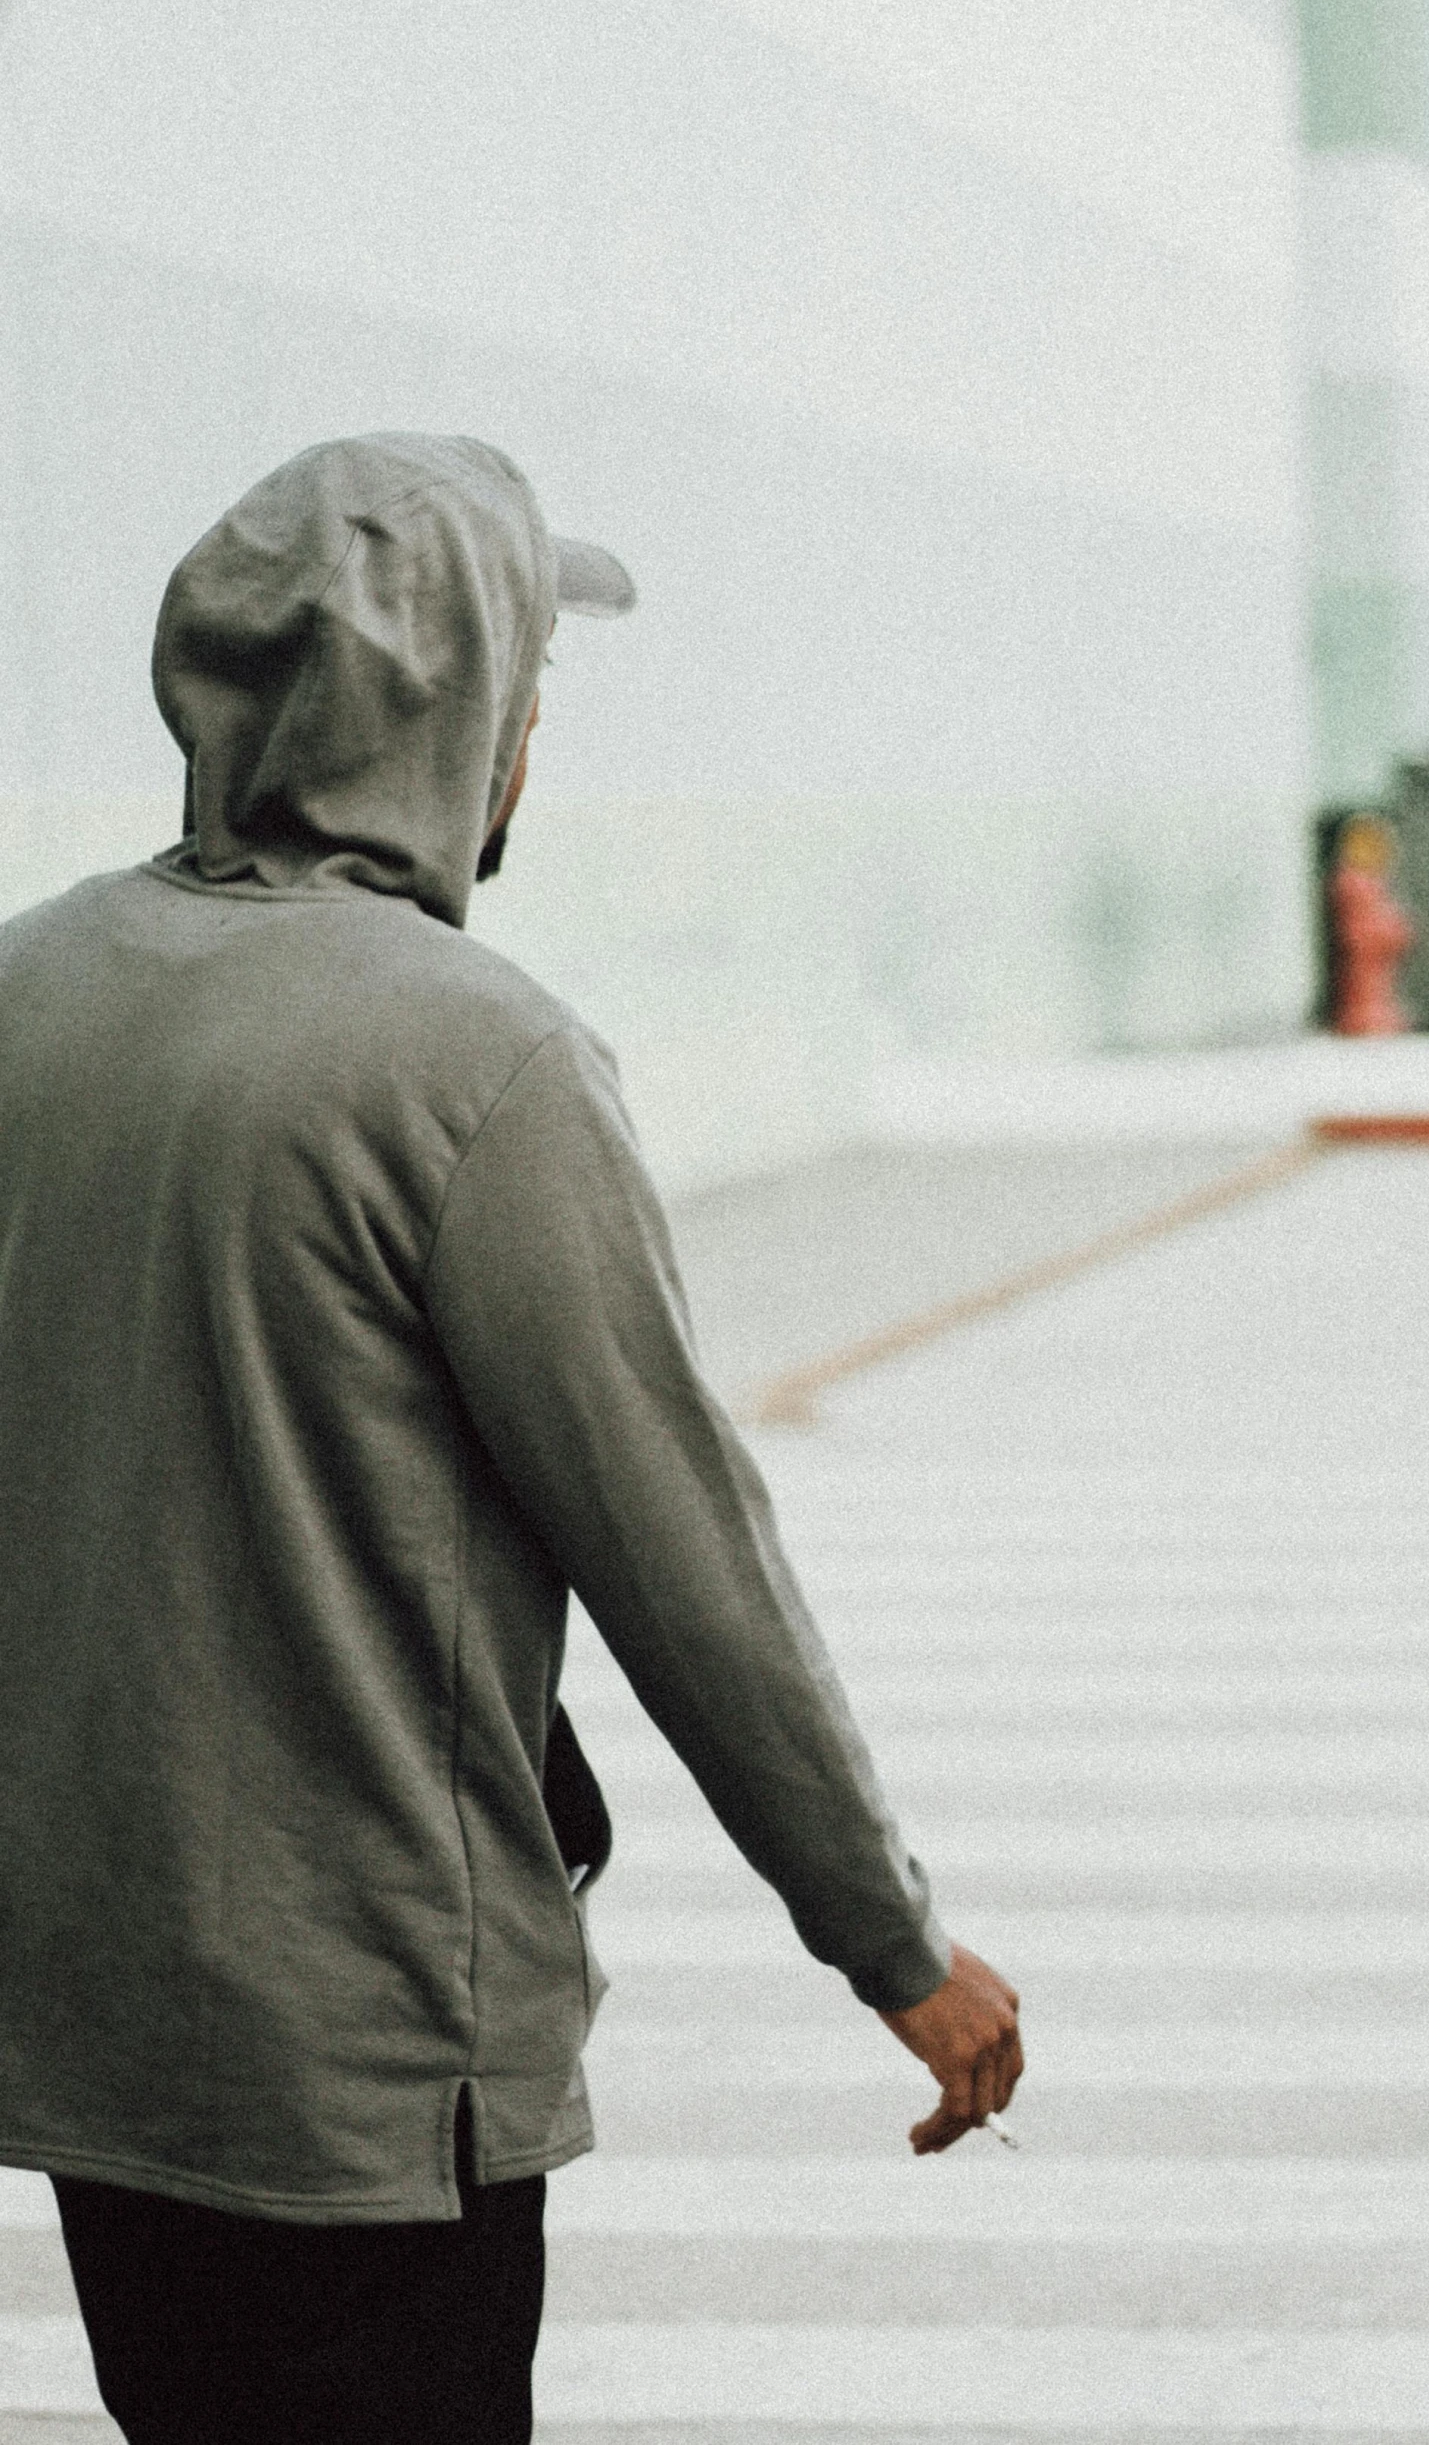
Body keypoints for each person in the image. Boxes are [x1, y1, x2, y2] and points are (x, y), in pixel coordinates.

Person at [0, 434, 1022, 2443]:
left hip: (95, 2024)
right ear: (455, 708)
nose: (534, 734)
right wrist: (893, 1943)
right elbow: (687, 1566)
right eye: (529, 684)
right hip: (370, 2046)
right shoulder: (484, 1063)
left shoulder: (31, 992)